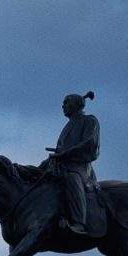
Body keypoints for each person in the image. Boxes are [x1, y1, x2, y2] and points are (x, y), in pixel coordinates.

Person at [46, 91, 99, 234]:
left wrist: (65, 153)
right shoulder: (68, 126)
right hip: (62, 164)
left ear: (77, 105)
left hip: (80, 168)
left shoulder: (89, 121)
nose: (63, 106)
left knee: (71, 178)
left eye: (66, 102)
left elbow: (90, 144)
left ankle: (79, 222)